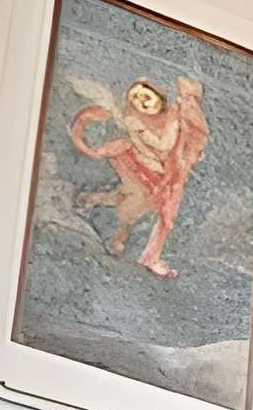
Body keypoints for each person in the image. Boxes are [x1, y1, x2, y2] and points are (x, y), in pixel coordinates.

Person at [69, 75, 209, 278]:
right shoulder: (134, 120)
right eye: (135, 98)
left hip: (166, 171)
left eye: (145, 95)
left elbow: (175, 143)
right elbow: (161, 145)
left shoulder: (172, 115)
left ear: (158, 96)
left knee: (153, 207)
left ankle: (95, 204)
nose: (141, 102)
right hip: (142, 165)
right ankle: (120, 236)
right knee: (139, 201)